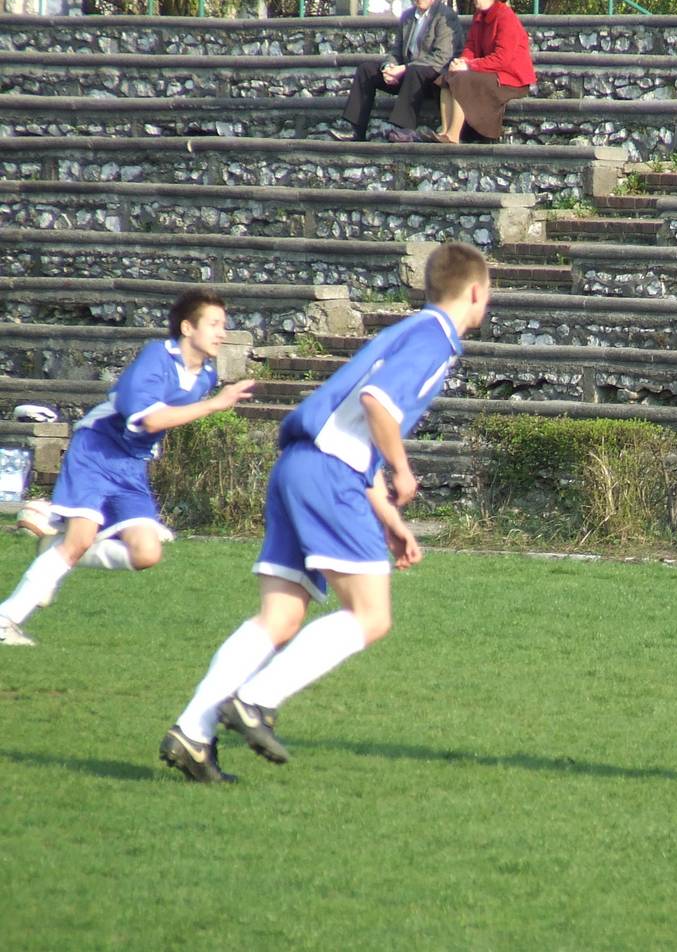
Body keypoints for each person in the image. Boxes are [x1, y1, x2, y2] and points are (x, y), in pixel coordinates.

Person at [160, 241, 492, 784]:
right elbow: (378, 403)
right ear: (476, 292)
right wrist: (403, 471)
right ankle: (256, 700)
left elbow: (353, 425)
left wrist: (388, 517)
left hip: (299, 465)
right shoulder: (436, 338)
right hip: (329, 475)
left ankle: (193, 734)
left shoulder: (406, 330)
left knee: (279, 617)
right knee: (371, 615)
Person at [0, 289, 256, 647]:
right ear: (187, 327)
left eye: (223, 325)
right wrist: (214, 406)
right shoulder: (157, 357)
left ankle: (53, 545)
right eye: (213, 324)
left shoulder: (205, 376)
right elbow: (148, 420)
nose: (222, 333)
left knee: (146, 553)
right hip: (97, 450)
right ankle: (6, 619)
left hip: (131, 466)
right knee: (79, 539)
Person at [338, 0, 465, 143]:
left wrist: (404, 69)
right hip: (408, 74)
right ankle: (355, 129)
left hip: (433, 77)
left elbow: (441, 57)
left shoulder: (445, 16)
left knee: (415, 70)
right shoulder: (407, 17)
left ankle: (402, 128)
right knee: (366, 70)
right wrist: (389, 67)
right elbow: (396, 51)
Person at [433, 0, 535, 145]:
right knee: (448, 77)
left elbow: (502, 59)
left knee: (462, 79)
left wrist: (469, 66)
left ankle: (453, 135)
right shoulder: (479, 16)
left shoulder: (506, 17)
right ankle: (445, 130)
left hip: (511, 79)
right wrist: (462, 61)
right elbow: (471, 46)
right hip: (492, 71)